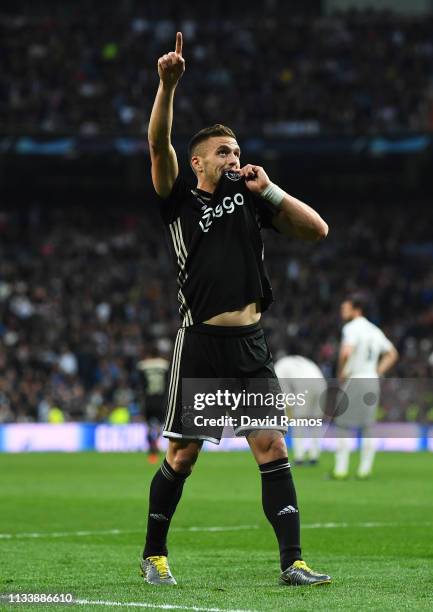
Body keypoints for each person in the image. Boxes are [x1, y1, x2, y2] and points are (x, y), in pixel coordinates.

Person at [141, 32, 331, 587]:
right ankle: (154, 554)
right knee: (182, 456)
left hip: (250, 343)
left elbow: (317, 230)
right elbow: (157, 146)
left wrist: (269, 189)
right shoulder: (178, 197)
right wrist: (167, 85)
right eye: (225, 152)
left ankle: (292, 562)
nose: (235, 159)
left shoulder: (253, 199)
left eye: (239, 152)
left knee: (272, 446)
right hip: (200, 342)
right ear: (198, 161)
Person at [333, 294, 399, 479]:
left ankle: (341, 469)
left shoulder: (351, 328)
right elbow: (392, 354)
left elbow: (346, 352)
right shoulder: (374, 330)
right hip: (371, 379)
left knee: (343, 425)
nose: (342, 312)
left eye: (345, 309)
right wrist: (377, 371)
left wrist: (341, 372)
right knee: (368, 426)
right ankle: (364, 470)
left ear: (356, 309)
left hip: (355, 378)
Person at [274, 354, 327, 465]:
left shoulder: (278, 367)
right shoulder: (299, 360)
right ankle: (314, 456)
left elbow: (285, 394)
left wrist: (288, 412)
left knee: (297, 421)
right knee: (316, 422)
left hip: (304, 384)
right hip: (321, 383)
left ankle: (299, 457)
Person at [137, 346, 170, 462]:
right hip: (162, 400)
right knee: (161, 425)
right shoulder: (165, 365)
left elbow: (140, 386)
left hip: (148, 399)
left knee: (148, 426)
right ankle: (155, 441)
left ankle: (152, 447)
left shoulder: (142, 365)